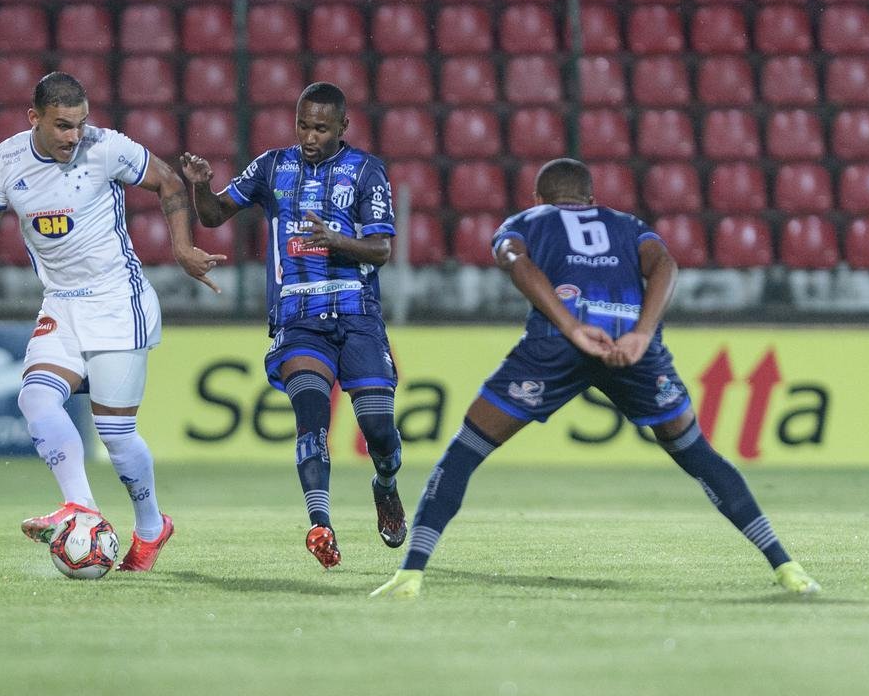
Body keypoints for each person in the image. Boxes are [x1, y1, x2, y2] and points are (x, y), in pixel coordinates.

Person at [371, 157, 820, 598]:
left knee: (466, 450)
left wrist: (570, 326)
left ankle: (411, 573)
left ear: (540, 197)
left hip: (556, 344)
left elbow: (515, 262)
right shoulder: (627, 224)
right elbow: (665, 264)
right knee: (697, 454)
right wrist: (643, 335)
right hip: (630, 343)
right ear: (590, 198)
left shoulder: (526, 220)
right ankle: (787, 567)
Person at [0, 71, 225, 572]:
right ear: (34, 118)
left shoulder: (106, 148)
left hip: (119, 301)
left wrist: (182, 249)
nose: (74, 137)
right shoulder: (6, 162)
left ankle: (150, 526)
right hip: (61, 303)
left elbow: (167, 180)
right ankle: (84, 510)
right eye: (62, 126)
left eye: (80, 124)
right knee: (34, 395)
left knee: (116, 435)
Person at [179, 81, 406, 569]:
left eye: (321, 128)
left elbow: (382, 250)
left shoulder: (366, 171)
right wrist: (200, 185)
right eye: (303, 124)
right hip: (297, 318)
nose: (309, 136)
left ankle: (385, 485)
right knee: (311, 414)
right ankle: (320, 524)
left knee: (379, 430)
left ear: (343, 127)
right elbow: (216, 214)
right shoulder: (271, 166)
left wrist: (335, 240)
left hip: (357, 315)